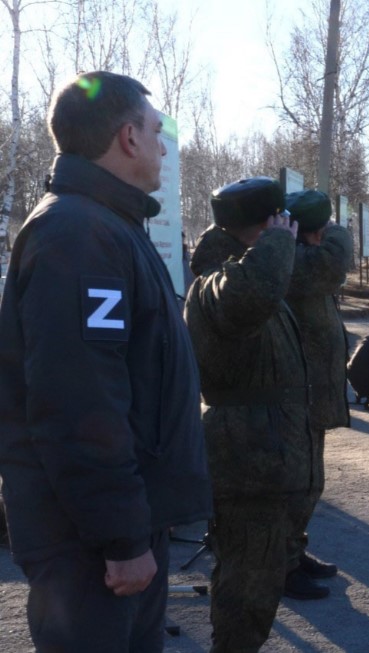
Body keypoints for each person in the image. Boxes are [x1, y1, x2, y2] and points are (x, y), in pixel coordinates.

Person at [0, 71, 211, 652]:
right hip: (90, 548)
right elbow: (78, 404)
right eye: (155, 130)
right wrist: (121, 539)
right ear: (128, 138)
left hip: (117, 527)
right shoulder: (77, 233)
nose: (163, 146)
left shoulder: (107, 224)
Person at [185, 177, 312, 651]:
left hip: (266, 460)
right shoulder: (219, 281)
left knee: (258, 581)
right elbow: (253, 294)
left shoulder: (248, 270)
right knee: (246, 587)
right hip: (247, 462)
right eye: (281, 223)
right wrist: (278, 241)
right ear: (267, 224)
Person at [282, 189, 353, 599]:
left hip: (312, 393)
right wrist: (335, 229)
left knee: (309, 482)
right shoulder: (297, 260)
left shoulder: (301, 256)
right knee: (297, 484)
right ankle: (283, 565)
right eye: (323, 226)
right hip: (298, 395)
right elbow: (333, 262)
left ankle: (294, 551)